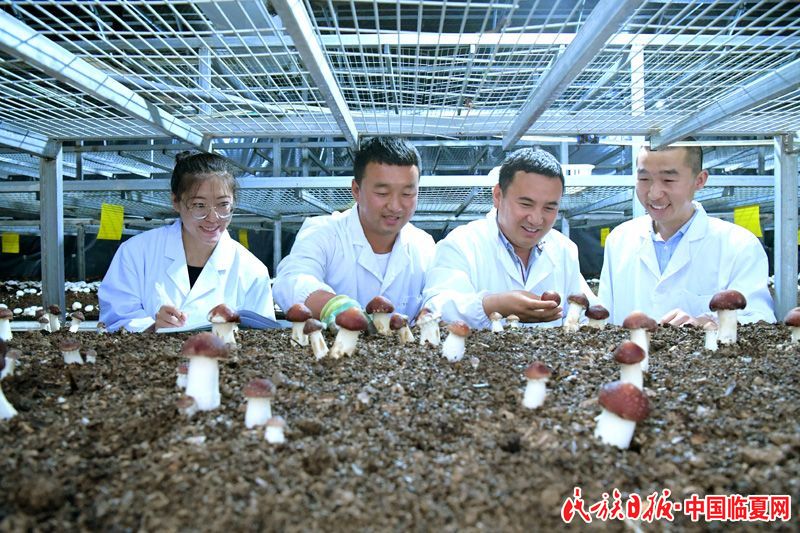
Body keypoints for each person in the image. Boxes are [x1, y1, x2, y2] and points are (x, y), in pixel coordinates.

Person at [599, 142, 775, 326]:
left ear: (699, 180)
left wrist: (707, 323)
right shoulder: (619, 240)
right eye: (644, 179)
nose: (654, 193)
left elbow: (761, 319)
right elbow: (603, 320)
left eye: (668, 180)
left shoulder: (739, 245)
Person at [422, 148, 595, 330]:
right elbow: (436, 309)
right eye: (526, 204)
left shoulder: (564, 249)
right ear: (498, 196)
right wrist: (492, 305)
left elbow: (587, 316)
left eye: (549, 208)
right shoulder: (462, 244)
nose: (536, 219)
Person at [99, 152, 274, 332]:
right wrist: (152, 328)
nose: (213, 218)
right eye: (199, 205)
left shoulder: (252, 270)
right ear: (176, 201)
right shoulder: (136, 252)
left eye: (223, 205)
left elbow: (263, 337)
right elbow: (113, 320)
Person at [272, 137, 435, 324]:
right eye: (382, 193)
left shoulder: (424, 246)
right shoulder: (324, 233)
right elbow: (292, 280)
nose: (395, 206)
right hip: (335, 344)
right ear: (356, 190)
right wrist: (336, 308)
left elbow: (441, 292)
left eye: (407, 193)